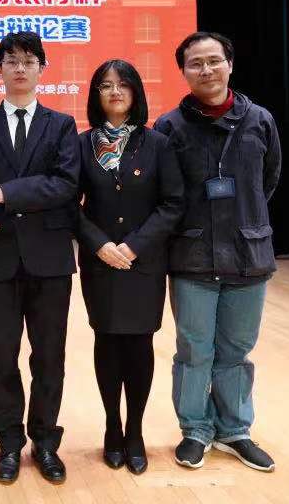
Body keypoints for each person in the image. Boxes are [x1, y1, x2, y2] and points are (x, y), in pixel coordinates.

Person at [154, 31, 282, 472]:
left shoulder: (260, 120)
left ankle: (234, 430)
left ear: (230, 64)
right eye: (195, 63)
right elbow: (165, 193)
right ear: (183, 72)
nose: (205, 70)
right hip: (192, 256)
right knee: (194, 350)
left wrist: (245, 221)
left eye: (213, 61)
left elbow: (268, 179)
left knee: (236, 349)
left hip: (248, 255)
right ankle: (194, 429)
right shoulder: (169, 127)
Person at [0, 32, 80, 485]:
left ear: (42, 68)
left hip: (50, 258)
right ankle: (8, 442)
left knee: (49, 356)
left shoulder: (62, 125)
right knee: (1, 356)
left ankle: (45, 442)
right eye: (11, 61)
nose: (20, 68)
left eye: (29, 61)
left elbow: (65, 184)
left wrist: (7, 192)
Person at [75, 59, 183, 475]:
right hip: (100, 262)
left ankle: (134, 430)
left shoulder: (158, 144)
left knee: (139, 345)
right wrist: (99, 244)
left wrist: (135, 246)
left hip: (143, 263)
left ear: (136, 92)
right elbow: (69, 203)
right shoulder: (81, 145)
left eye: (123, 85)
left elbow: (172, 204)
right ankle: (111, 426)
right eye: (106, 85)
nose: (115, 91)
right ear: (96, 95)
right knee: (106, 343)